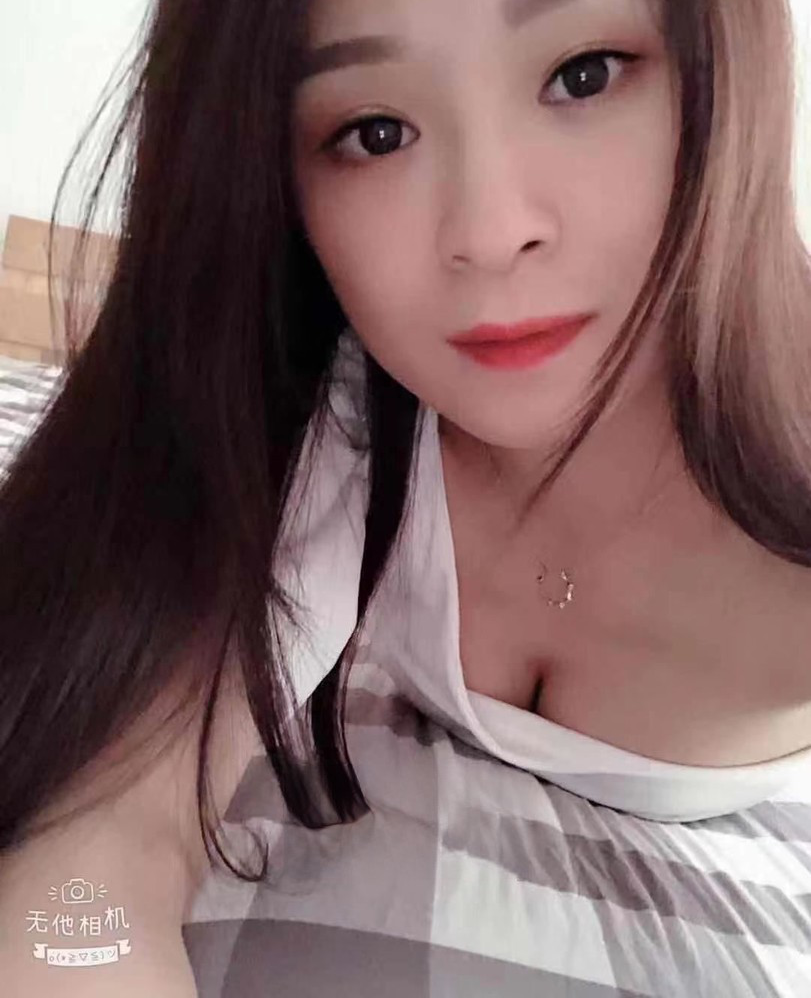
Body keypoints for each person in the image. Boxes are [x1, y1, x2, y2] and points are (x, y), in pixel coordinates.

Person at [1, 0, 810, 994]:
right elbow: (98, 845)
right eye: (375, 133)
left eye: (584, 75)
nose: (489, 232)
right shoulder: (323, 404)